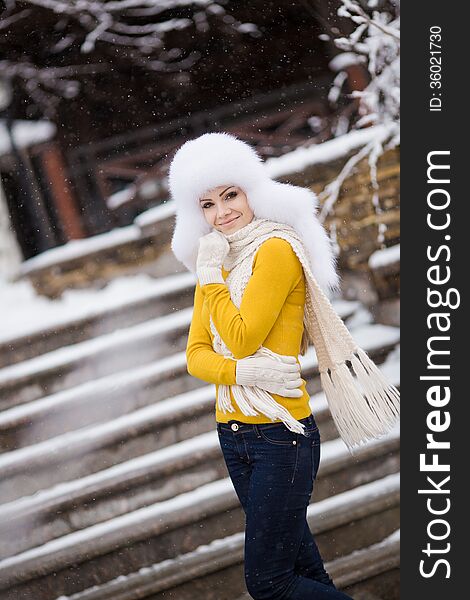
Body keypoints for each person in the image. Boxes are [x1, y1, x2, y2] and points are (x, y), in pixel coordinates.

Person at [169, 132, 399, 599]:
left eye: (230, 194)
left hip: (280, 436)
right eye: (208, 204)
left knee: (269, 583)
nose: (222, 212)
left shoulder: (275, 250)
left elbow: (240, 336)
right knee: (304, 573)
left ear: (252, 190)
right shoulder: (215, 258)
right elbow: (196, 356)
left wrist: (211, 280)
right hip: (233, 435)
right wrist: (241, 372)